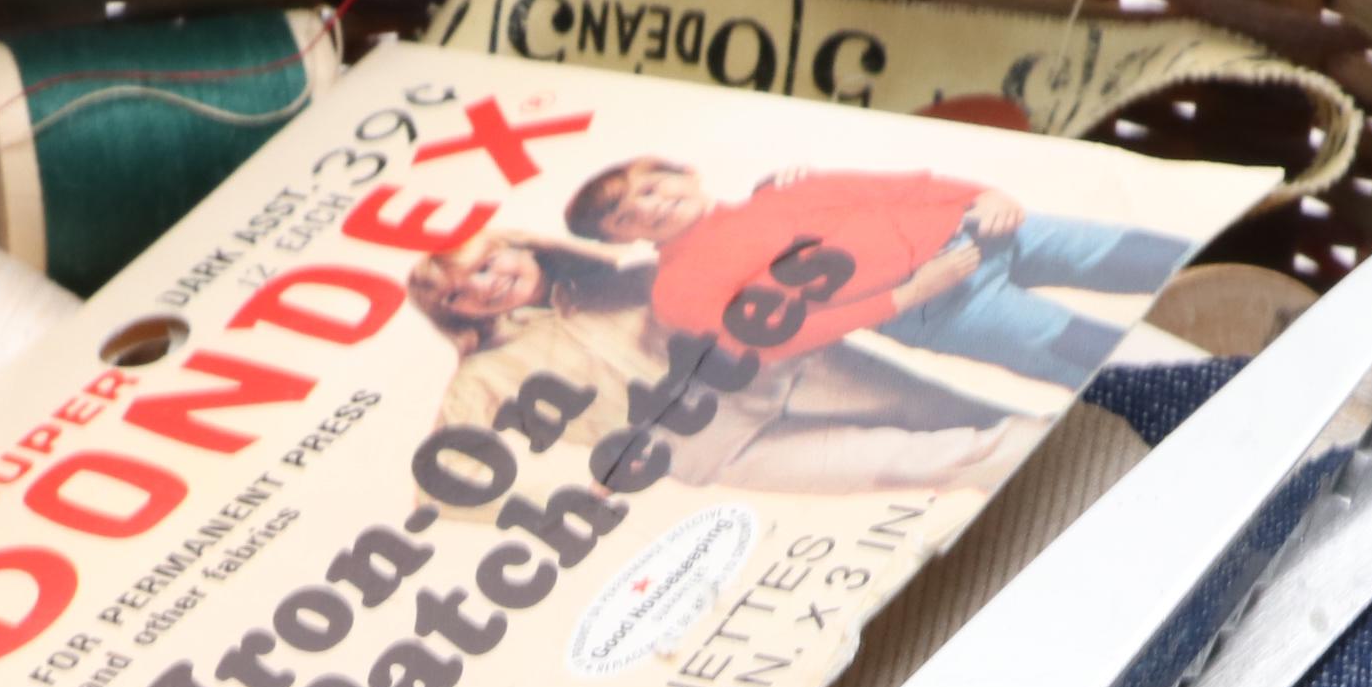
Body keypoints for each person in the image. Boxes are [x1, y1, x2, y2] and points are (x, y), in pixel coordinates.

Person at [410, 228, 1035, 499]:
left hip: (787, 371)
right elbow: (440, 480)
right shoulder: (482, 375)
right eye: (459, 294)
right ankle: (1067, 471)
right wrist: (574, 488)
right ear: (453, 315)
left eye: (486, 265)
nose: (484, 288)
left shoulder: (629, 278)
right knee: (916, 463)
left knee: (951, 411)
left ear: (518, 246)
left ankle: (1080, 440)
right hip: (717, 448)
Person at [563, 156, 1187, 392]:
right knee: (1092, 355)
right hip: (935, 304)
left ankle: (1267, 315)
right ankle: (1218, 395)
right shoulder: (677, 288)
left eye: (652, 184)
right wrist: (901, 297)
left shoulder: (780, 187)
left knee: (1151, 256)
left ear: (688, 174)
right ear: (622, 236)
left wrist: (983, 189)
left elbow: (891, 185)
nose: (648, 203)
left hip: (976, 227)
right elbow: (771, 336)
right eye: (624, 211)